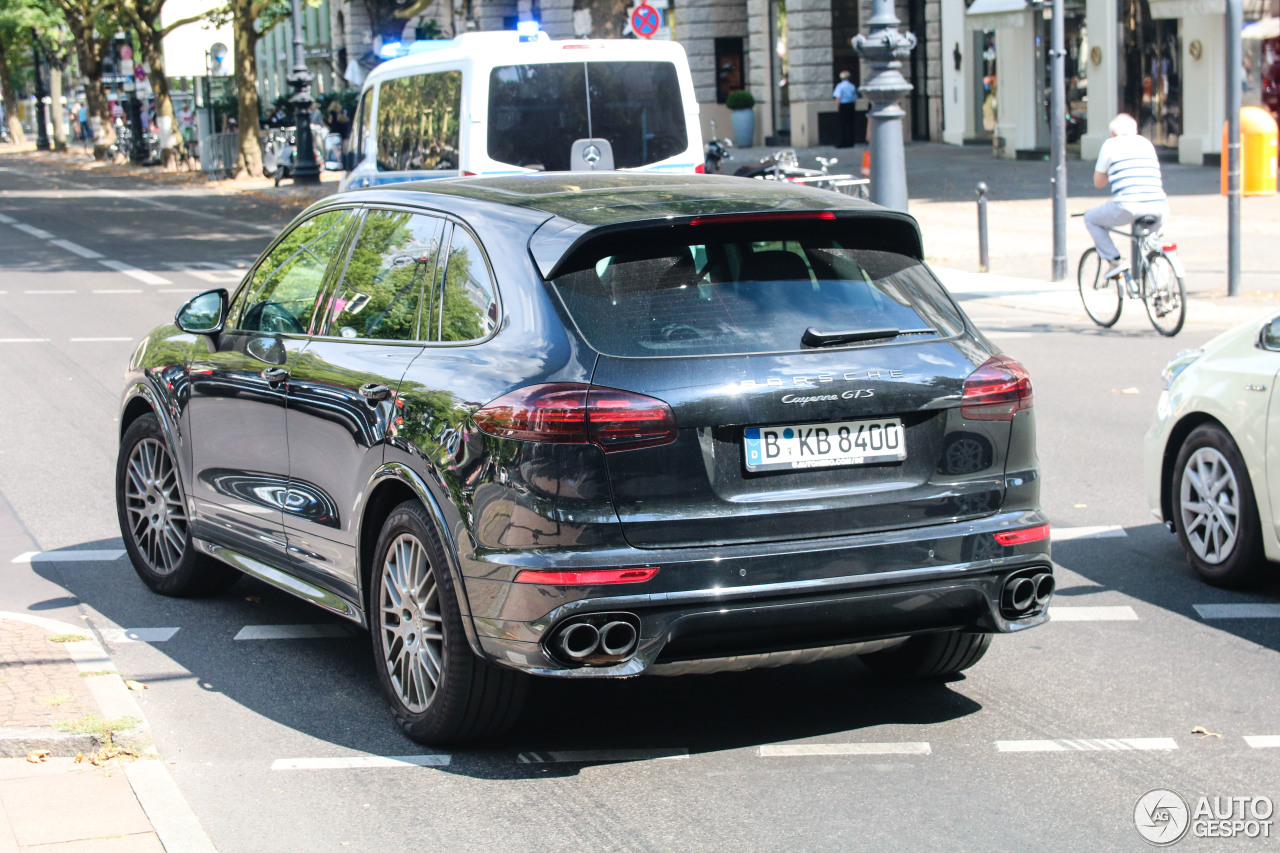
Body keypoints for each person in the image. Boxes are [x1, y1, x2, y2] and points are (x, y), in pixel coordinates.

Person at [1084, 112, 1168, 279]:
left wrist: (1110, 170)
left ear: (1112, 133)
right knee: (1153, 247)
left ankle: (1115, 260)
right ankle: (1162, 293)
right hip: (1159, 205)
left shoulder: (1110, 145)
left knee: (1090, 218)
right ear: (1135, 130)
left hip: (1128, 205)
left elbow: (1098, 183)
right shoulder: (1146, 143)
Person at [833, 70, 857, 148]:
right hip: (851, 105)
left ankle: (842, 142)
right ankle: (850, 142)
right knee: (850, 125)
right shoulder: (852, 86)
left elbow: (838, 97)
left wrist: (837, 108)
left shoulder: (839, 86)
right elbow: (855, 98)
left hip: (843, 105)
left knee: (842, 125)